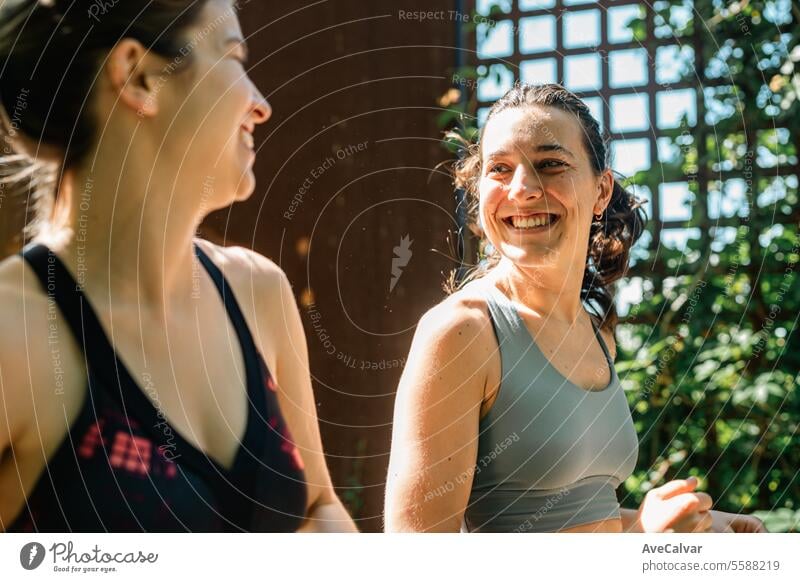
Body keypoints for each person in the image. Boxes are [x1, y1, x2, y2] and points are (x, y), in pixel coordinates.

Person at [0, 0, 356, 532]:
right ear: (141, 76)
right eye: (235, 56)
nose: (261, 106)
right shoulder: (15, 330)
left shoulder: (257, 292)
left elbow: (317, 509)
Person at [384, 83, 767, 533]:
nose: (522, 190)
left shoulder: (595, 330)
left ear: (602, 190)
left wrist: (696, 523)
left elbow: (577, 520)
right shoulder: (461, 332)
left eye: (549, 165)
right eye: (500, 169)